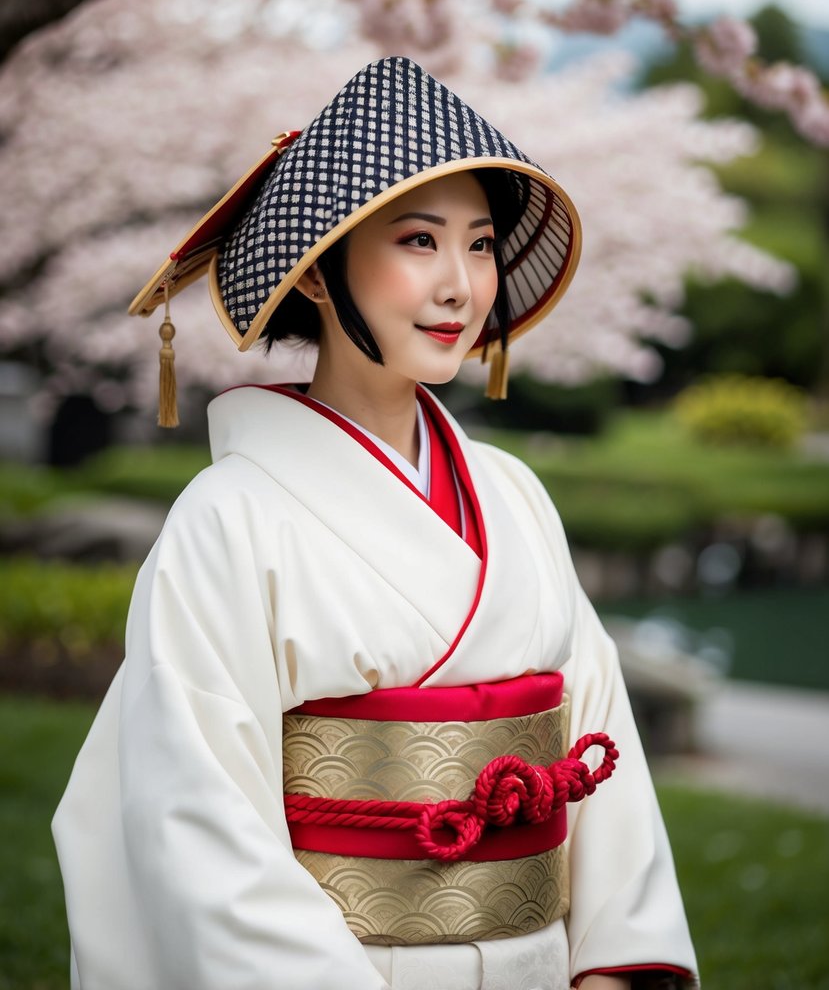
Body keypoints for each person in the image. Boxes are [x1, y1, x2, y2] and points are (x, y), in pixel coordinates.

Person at [53, 56, 698, 990]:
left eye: (480, 245)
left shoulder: (512, 491)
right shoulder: (230, 518)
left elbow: (599, 736)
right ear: (317, 277)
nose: (461, 287)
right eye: (417, 241)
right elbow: (198, 816)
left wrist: (610, 959)